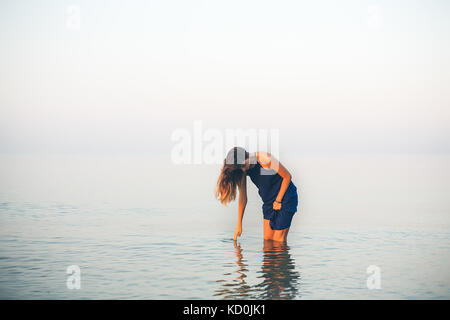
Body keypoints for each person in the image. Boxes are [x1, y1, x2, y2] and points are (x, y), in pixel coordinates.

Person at [216, 147, 299, 242]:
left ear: (246, 157)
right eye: (241, 169)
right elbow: (243, 198)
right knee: (267, 240)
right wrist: (239, 225)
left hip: (285, 198)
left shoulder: (265, 159)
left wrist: (278, 200)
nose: (243, 170)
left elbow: (287, 177)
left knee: (278, 242)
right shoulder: (242, 169)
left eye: (243, 166)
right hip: (269, 203)